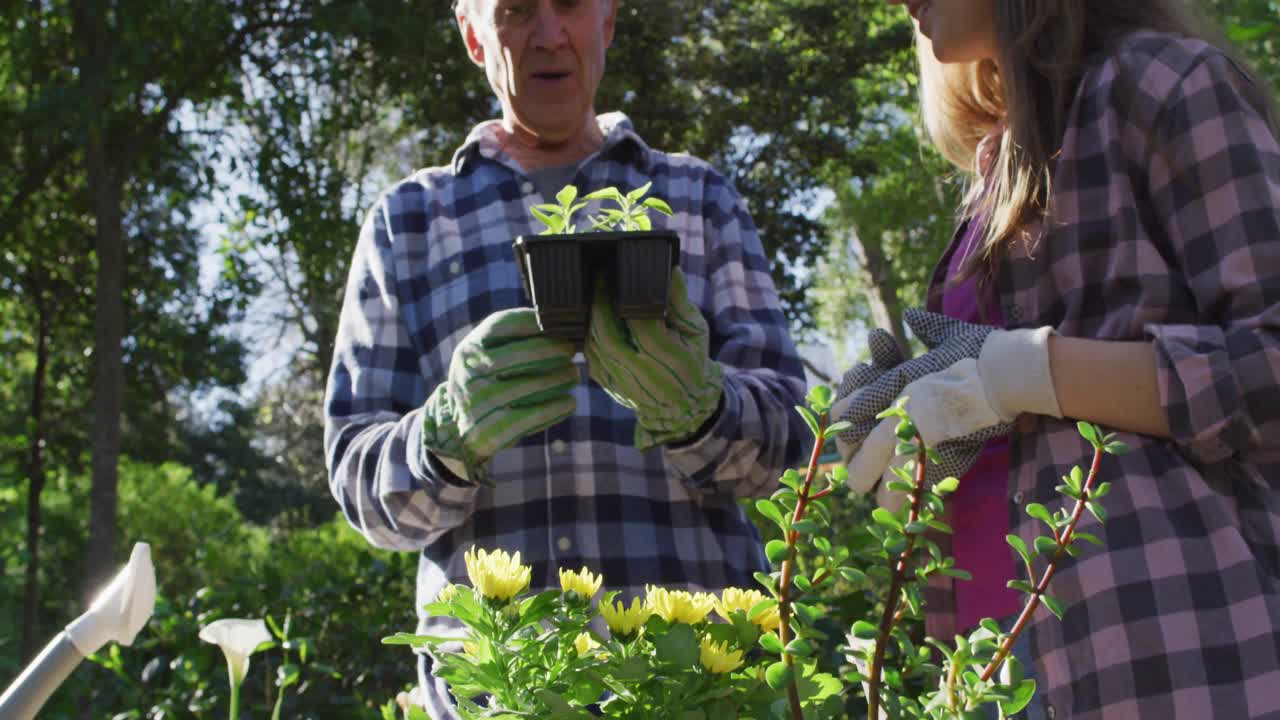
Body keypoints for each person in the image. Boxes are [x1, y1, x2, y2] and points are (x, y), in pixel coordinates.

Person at [322, 0, 809, 715]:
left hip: (694, 686)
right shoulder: (410, 220)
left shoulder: (699, 198)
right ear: (472, 37)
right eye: (516, 9)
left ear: (607, 24)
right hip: (497, 695)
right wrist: (444, 439)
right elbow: (359, 482)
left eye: (572, 5)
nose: (548, 34)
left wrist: (704, 409)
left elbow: (791, 444)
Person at [834, 2, 1280, 718]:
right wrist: (913, 422)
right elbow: (1001, 412)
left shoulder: (1163, 84)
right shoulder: (994, 160)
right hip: (985, 670)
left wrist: (1023, 372)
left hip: (1162, 662)